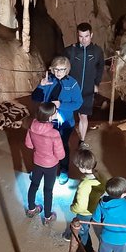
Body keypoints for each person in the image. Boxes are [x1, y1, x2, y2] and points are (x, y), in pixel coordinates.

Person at [31, 56, 82, 185]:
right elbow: (36, 98)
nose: (59, 72)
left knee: (62, 145)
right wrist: (40, 86)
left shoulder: (72, 83)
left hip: (65, 123)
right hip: (48, 120)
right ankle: (41, 168)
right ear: (52, 69)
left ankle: (64, 169)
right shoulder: (48, 81)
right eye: (56, 69)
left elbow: (78, 103)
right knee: (44, 144)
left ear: (67, 69)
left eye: (62, 69)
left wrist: (61, 105)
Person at [64, 22, 104, 149]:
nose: (84, 39)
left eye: (86, 36)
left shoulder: (97, 51)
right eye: (81, 36)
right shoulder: (71, 50)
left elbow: (100, 68)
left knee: (83, 115)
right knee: (67, 115)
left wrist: (96, 83)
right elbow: (62, 66)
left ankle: (81, 140)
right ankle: (63, 139)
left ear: (91, 35)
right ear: (77, 35)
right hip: (72, 89)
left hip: (87, 89)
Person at [24, 103, 65, 225]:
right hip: (50, 166)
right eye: (55, 111)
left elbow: (29, 145)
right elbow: (60, 155)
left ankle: (31, 209)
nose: (57, 112)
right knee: (48, 190)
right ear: (50, 116)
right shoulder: (54, 134)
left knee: (34, 184)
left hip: (37, 162)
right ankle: (47, 216)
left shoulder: (32, 126)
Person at [62, 149, 105, 252]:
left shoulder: (85, 185)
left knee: (83, 229)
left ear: (82, 167)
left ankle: (88, 251)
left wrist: (73, 208)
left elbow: (80, 205)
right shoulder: (99, 176)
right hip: (94, 208)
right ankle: (72, 234)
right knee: (82, 226)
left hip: (84, 212)